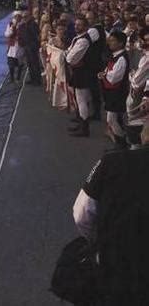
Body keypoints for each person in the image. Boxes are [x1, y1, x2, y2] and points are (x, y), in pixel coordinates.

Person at [73, 123, 149, 305]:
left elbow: (81, 213)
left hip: (116, 258)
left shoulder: (110, 162)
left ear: (144, 135)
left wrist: (96, 240)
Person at [65, 15, 100, 138]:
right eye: (76, 24)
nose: (76, 26)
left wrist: (69, 55)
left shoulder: (83, 40)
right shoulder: (78, 38)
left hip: (82, 73)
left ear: (85, 27)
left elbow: (70, 58)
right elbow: (68, 52)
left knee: (81, 100)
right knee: (81, 99)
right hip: (80, 72)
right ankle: (82, 123)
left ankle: (84, 127)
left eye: (79, 25)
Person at [98, 30, 130, 149]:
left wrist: (105, 75)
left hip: (117, 93)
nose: (110, 43)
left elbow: (114, 77)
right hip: (112, 92)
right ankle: (120, 141)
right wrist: (105, 73)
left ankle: (122, 142)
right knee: (113, 118)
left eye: (113, 41)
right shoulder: (115, 56)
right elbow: (109, 71)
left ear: (120, 43)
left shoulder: (121, 59)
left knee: (112, 118)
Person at [18, 10, 42, 86]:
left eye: (26, 17)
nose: (24, 18)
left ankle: (37, 80)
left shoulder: (33, 24)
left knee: (35, 63)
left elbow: (36, 35)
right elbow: (21, 35)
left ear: (29, 16)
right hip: (26, 46)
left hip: (32, 46)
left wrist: (36, 45)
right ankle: (32, 78)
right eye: (23, 17)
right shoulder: (22, 25)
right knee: (29, 63)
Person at [4, 12, 23, 82]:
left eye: (19, 16)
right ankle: (11, 78)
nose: (17, 18)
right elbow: (6, 34)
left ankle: (18, 77)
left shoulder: (23, 25)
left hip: (20, 46)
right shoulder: (10, 24)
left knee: (20, 63)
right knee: (11, 63)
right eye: (16, 17)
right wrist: (12, 29)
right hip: (12, 46)